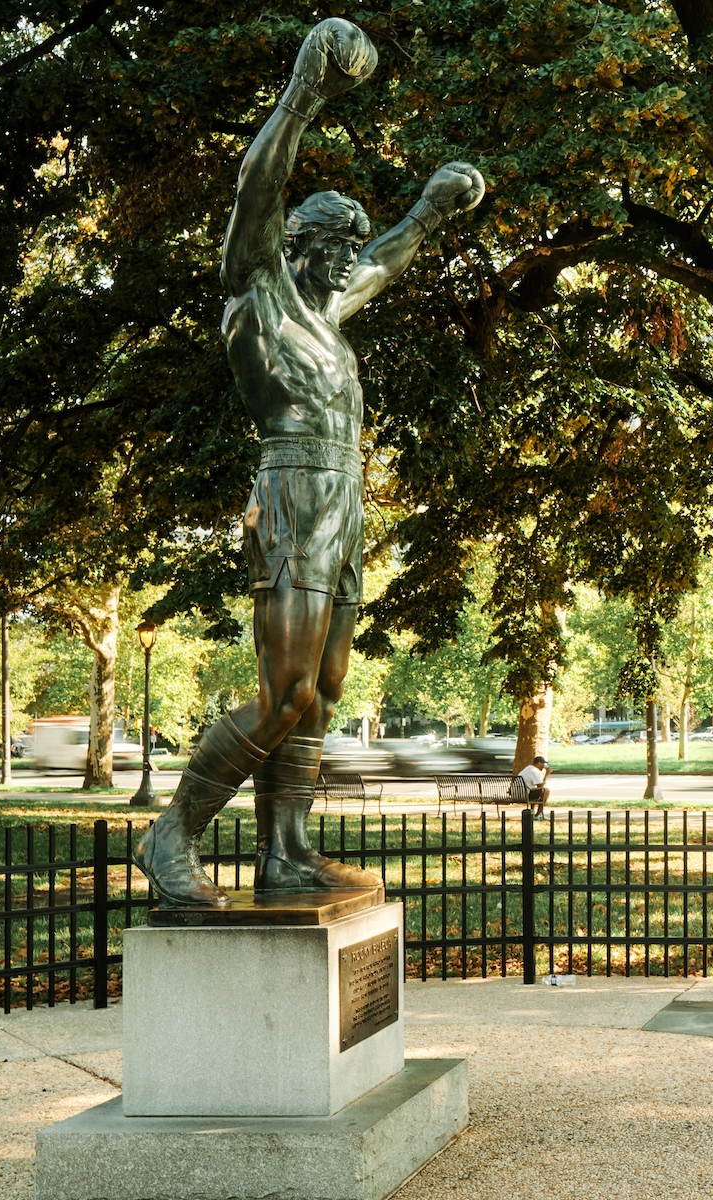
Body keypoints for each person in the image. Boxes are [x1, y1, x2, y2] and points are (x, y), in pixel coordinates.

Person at [131, 18, 485, 906]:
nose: (345, 266)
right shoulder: (258, 288)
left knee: (324, 689)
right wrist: (305, 91)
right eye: (331, 250)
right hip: (291, 487)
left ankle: (285, 852)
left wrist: (432, 208)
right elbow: (259, 182)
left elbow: (387, 259)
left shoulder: (327, 311)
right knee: (284, 689)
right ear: (298, 246)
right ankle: (174, 829)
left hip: (345, 498)